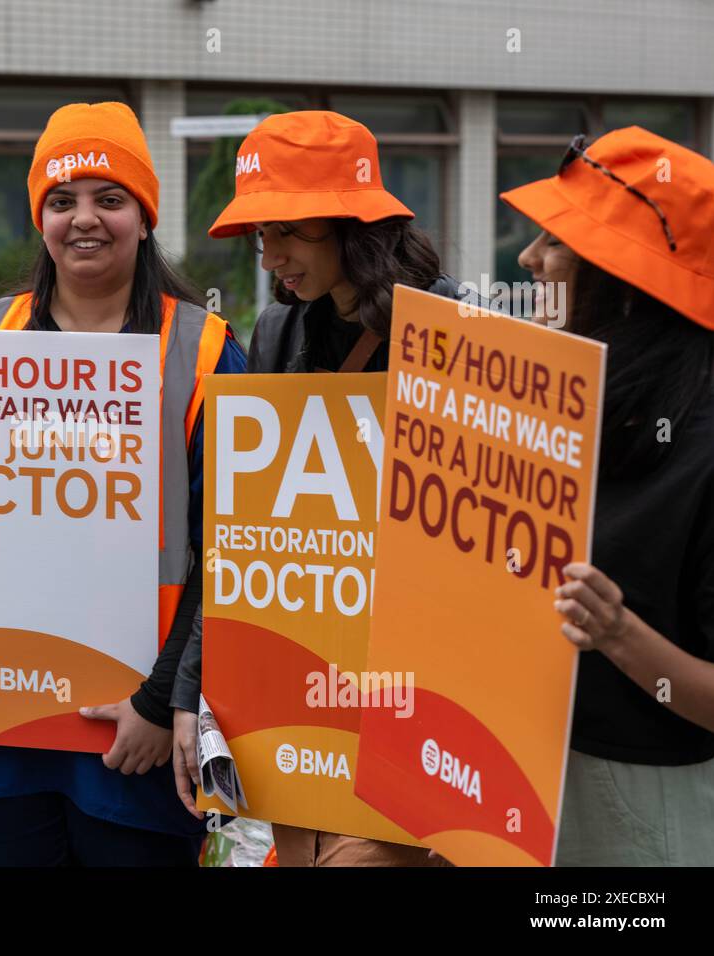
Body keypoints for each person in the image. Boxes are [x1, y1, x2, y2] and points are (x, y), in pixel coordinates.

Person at [0, 101, 247, 866]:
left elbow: (228, 552)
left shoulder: (206, 351)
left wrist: (160, 700)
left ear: (144, 215)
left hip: (126, 739)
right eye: (62, 200)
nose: (85, 220)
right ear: (40, 214)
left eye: (110, 199)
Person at [170, 110, 482, 866]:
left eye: (288, 232)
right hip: (302, 683)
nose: (269, 255)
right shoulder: (278, 331)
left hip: (416, 697)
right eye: (259, 236)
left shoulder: (454, 331)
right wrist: (192, 692)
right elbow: (245, 534)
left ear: (353, 226)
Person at [500, 126, 714, 865]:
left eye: (554, 241)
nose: (527, 260)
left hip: (646, 803)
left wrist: (618, 631)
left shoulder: (704, 447)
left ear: (624, 283)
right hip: (524, 773)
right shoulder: (557, 405)